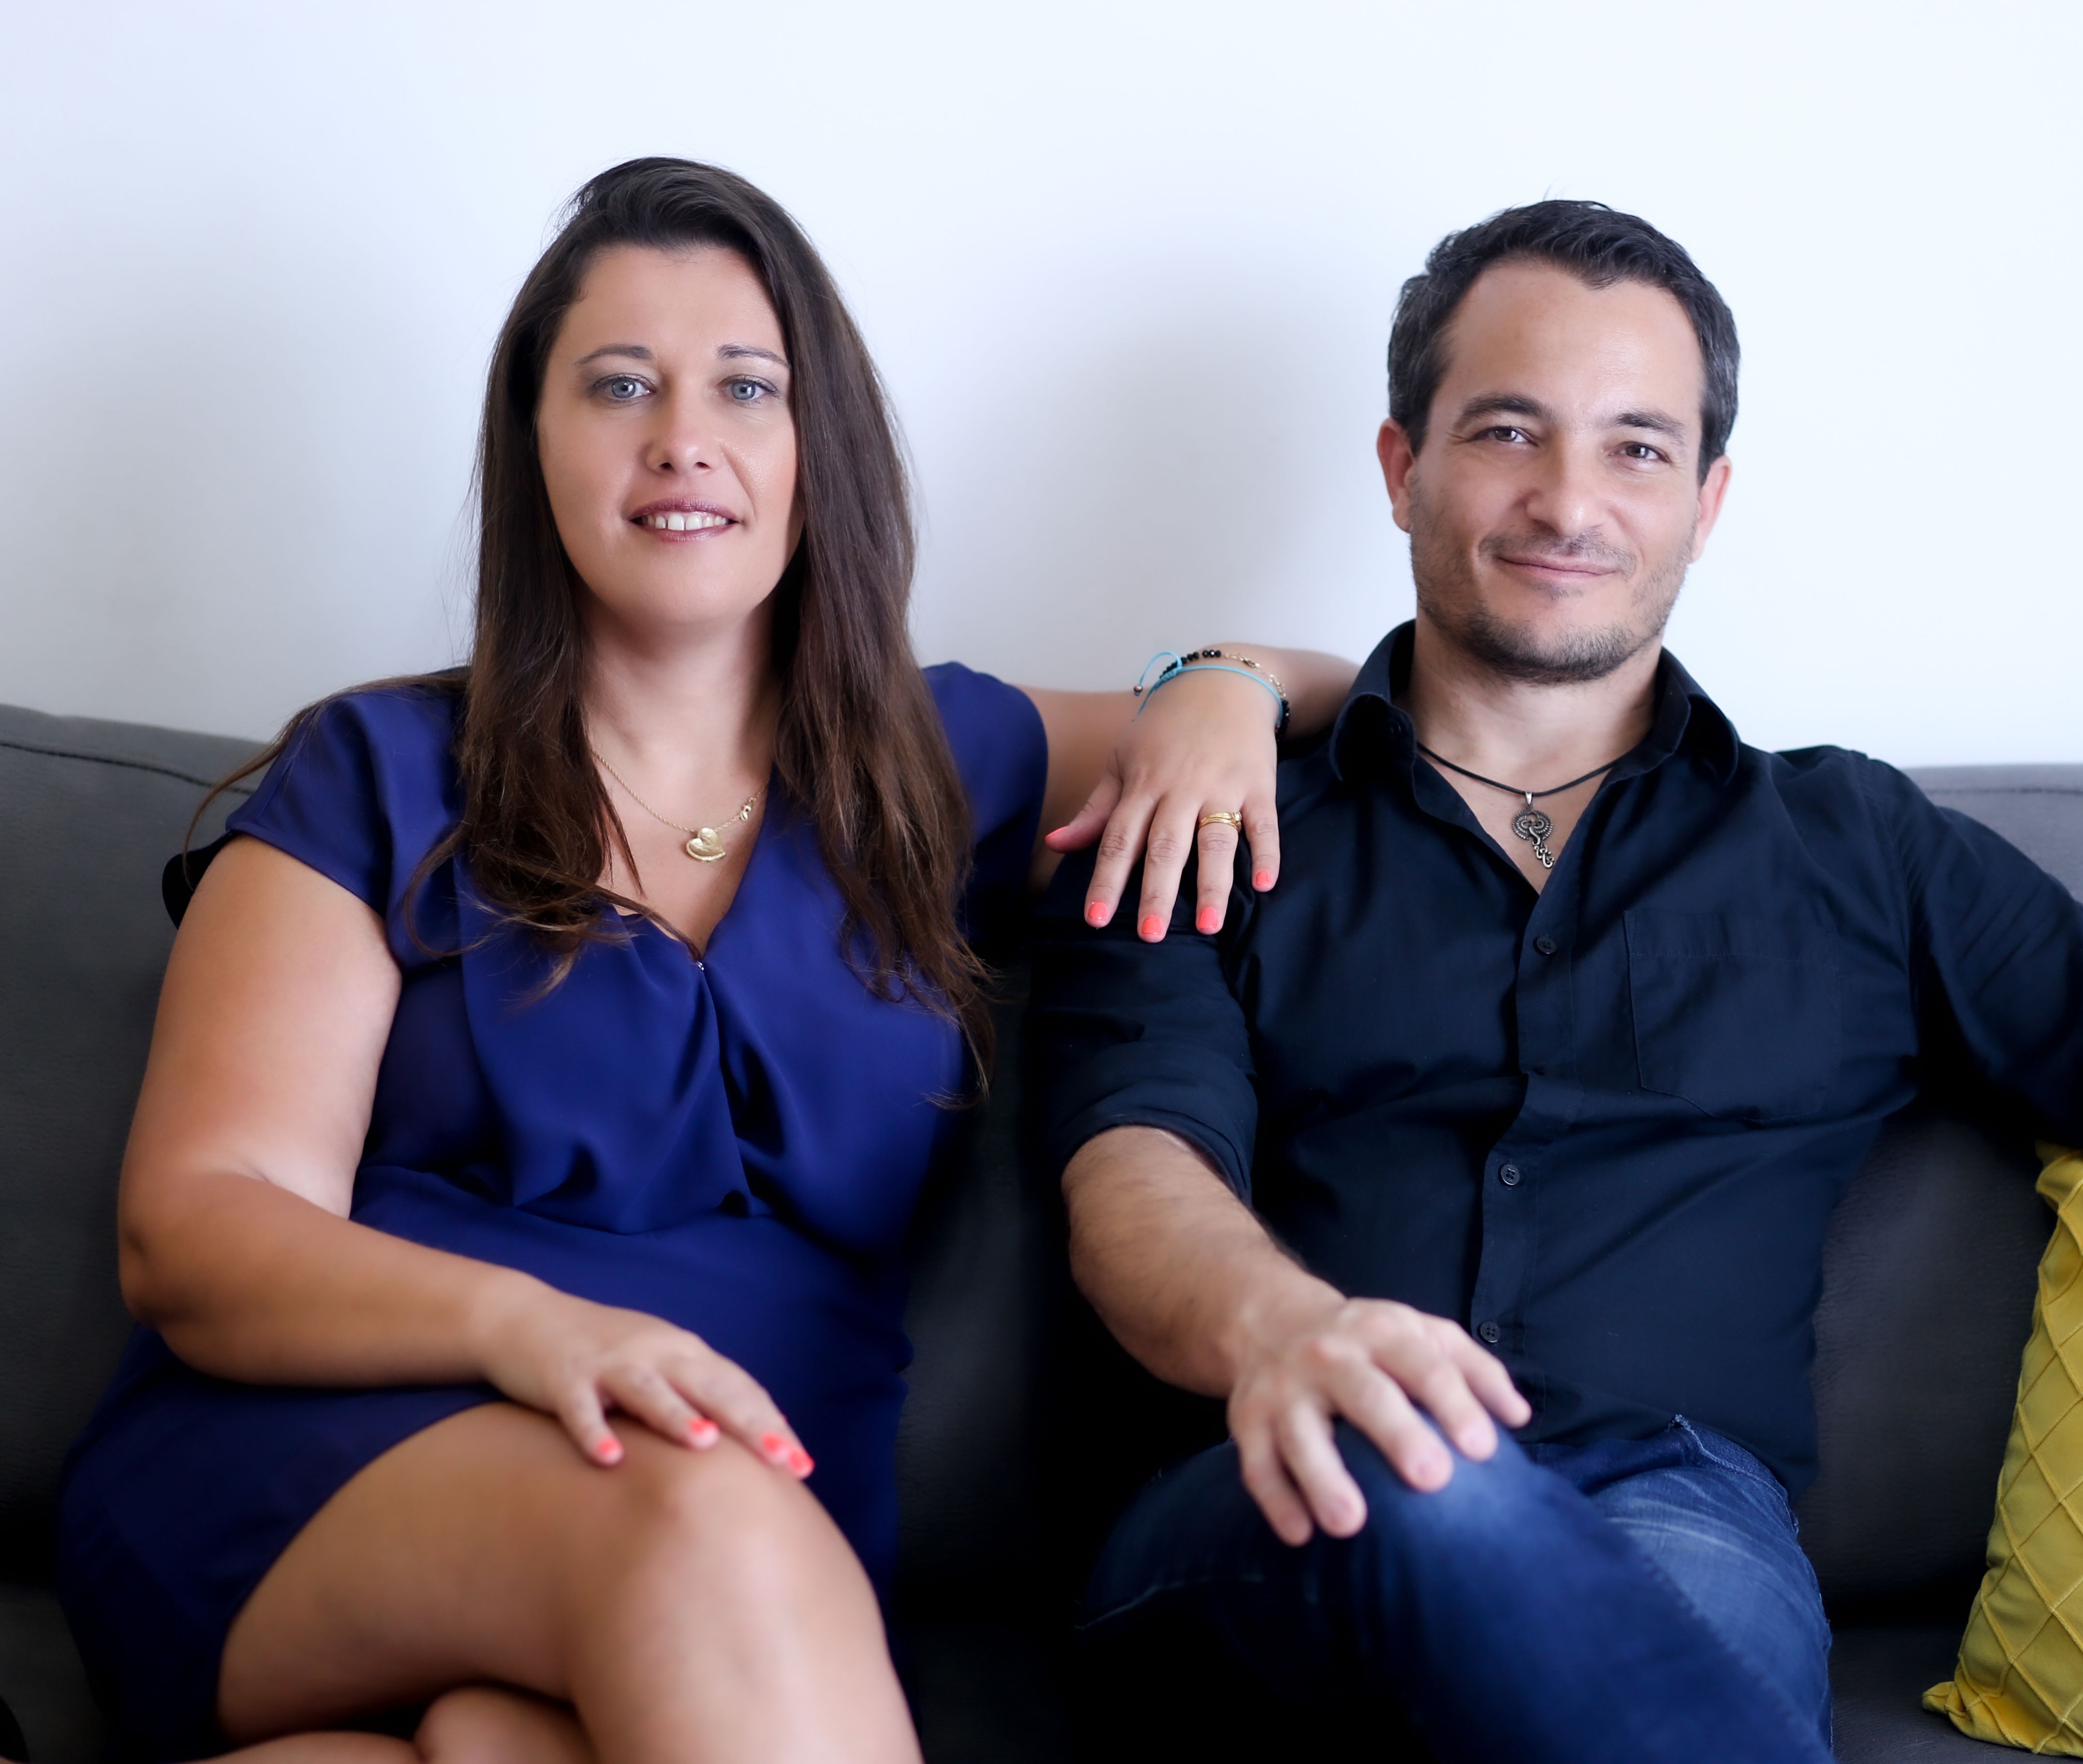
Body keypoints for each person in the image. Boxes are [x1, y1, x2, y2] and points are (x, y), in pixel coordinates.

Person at [1030, 199, 2083, 1764]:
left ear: (1708, 500)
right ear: (1404, 468)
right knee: (1431, 1486)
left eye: (1637, 447)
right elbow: (1133, 1170)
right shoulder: (1215, 814)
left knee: (1656, 1611)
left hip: (1678, 1508)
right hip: (1284, 1495)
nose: (1569, 501)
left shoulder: (1853, 849)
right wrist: (1296, 1335)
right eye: (1508, 432)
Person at [55, 157, 1353, 1764]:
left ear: (821, 450)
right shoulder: (376, 771)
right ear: (534, 446)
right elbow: (198, 1226)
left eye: (747, 386)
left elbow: (1353, 702)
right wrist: (536, 1330)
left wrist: (1222, 681)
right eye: (619, 386)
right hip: (343, 1464)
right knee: (696, 1521)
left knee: (508, 1743)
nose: (683, 437)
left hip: (754, 1506)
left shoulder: (944, 765)